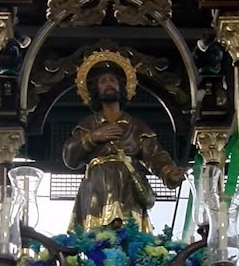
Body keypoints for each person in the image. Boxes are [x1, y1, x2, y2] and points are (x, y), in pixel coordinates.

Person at [62, 50, 186, 231]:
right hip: (96, 188)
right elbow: (70, 157)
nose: (108, 84)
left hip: (128, 187)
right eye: (103, 81)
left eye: (112, 81)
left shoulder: (136, 125)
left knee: (130, 234)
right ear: (96, 90)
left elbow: (155, 154)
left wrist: (168, 172)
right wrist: (94, 136)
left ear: (121, 87)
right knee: (95, 239)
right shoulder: (89, 124)